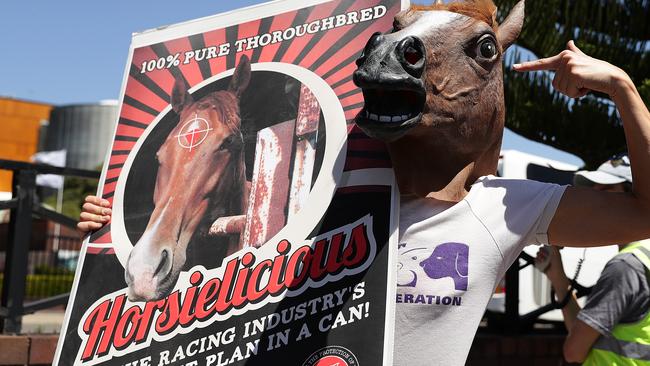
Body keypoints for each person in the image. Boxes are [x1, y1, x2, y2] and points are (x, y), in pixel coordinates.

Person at [78, 2, 650, 364]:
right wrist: (109, 236)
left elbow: (644, 213)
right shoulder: (313, 191)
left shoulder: (502, 209)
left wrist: (622, 88)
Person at [536, 156, 650, 365]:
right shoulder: (642, 259)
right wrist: (559, 280)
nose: (595, 201)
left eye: (605, 190)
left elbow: (573, 352)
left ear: (635, 196)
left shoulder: (626, 267)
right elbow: (585, 337)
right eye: (593, 191)